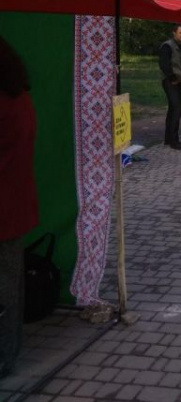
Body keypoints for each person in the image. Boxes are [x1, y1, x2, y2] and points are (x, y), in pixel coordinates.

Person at [0, 36, 39, 378]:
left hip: (5, 208)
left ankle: (4, 356)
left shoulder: (6, 103)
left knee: (5, 287)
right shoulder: (19, 98)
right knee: (10, 285)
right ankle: (7, 353)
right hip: (15, 206)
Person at [158, 25, 181, 150]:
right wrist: (172, 79)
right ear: (174, 33)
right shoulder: (167, 46)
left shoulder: (180, 47)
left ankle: (169, 138)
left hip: (178, 80)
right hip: (170, 81)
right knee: (177, 109)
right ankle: (173, 140)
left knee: (173, 109)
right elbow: (164, 65)